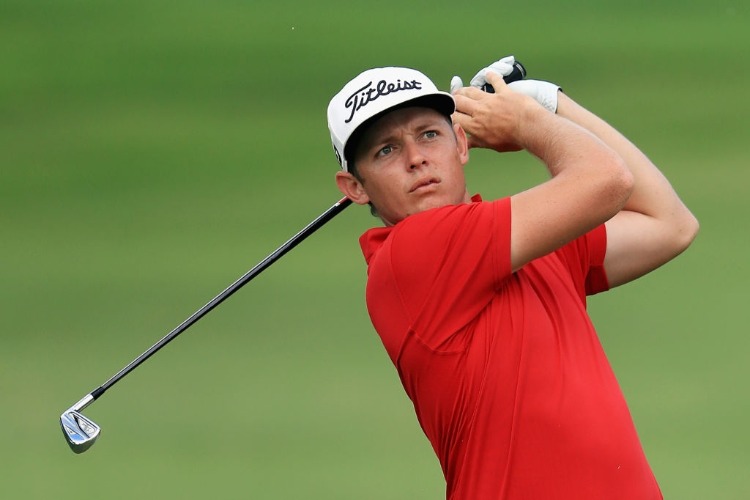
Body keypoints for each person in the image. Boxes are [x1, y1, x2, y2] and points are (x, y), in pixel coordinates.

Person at [325, 56, 698, 499]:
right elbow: (608, 178)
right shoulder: (411, 255)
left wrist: (549, 104)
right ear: (355, 188)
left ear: (461, 143)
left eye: (429, 134)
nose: (416, 159)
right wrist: (532, 121)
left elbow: (670, 223)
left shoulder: (526, 243)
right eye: (385, 150)